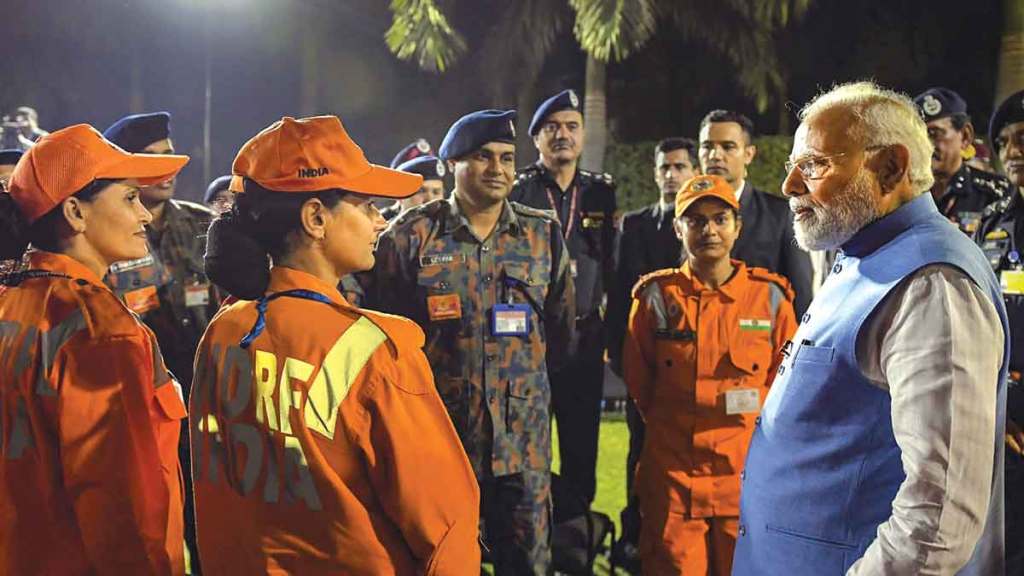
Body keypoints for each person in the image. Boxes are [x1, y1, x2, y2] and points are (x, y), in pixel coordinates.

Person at [733, 81, 1009, 575]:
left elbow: (939, 514)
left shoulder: (932, 283)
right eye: (792, 166)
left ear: (890, 169)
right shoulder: (865, 253)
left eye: (814, 165)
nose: (790, 185)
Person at [191, 115, 480, 574]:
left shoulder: (224, 331)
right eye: (365, 205)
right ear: (315, 218)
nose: (380, 220)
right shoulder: (375, 350)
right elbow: (445, 527)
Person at [366, 109, 575, 575]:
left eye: (506, 157)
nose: (497, 169)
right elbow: (387, 338)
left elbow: (561, 336)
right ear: (451, 164)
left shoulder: (542, 234)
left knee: (528, 566)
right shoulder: (411, 236)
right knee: (440, 566)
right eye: (482, 157)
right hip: (440, 444)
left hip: (523, 450)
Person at [0, 124, 189, 574]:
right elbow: (121, 502)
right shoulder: (101, 331)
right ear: (74, 213)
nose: (144, 215)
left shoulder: (11, 301)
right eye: (129, 198)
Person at [623, 174, 796, 575]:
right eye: (696, 221)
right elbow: (640, 382)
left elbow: (785, 388)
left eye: (719, 219)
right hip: (674, 478)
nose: (709, 231)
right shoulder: (656, 299)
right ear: (678, 228)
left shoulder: (770, 298)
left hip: (746, 479)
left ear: (738, 227)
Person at [102, 111, 215, 571]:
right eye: (150, 160)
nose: (165, 168)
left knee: (210, 523)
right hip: (142, 410)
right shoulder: (109, 235)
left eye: (168, 157)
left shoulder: (205, 226)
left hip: (207, 405)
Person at [510, 89, 615, 509]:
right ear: (536, 138)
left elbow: (609, 261)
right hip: (529, 340)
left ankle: (574, 545)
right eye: (551, 128)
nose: (562, 135)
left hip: (584, 339)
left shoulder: (601, 193)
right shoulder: (519, 191)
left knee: (581, 449)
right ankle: (526, 538)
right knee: (524, 449)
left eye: (572, 126)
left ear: (583, 135)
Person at [605, 136, 697, 570]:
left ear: (692, 171)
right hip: (646, 361)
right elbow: (621, 290)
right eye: (664, 167)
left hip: (694, 366)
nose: (671, 174)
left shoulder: (706, 224)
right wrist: (618, 352)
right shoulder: (638, 225)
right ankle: (634, 535)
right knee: (639, 451)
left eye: (679, 166)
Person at [698, 109, 813, 316]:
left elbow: (800, 293)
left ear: (749, 154)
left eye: (727, 147)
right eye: (707, 147)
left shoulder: (780, 215)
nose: (715, 155)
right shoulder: (685, 218)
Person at [979, 88, 1024, 576]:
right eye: (1006, 142)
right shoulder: (993, 225)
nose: (1014, 151)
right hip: (1007, 422)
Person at [913, 87, 1011, 234]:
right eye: (918, 136)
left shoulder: (997, 193)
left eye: (933, 134)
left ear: (965, 136)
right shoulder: (905, 195)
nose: (925, 145)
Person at [380, 155, 447, 220]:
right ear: (400, 196)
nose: (430, 200)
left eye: (436, 192)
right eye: (421, 191)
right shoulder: (378, 230)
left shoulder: (450, 229)